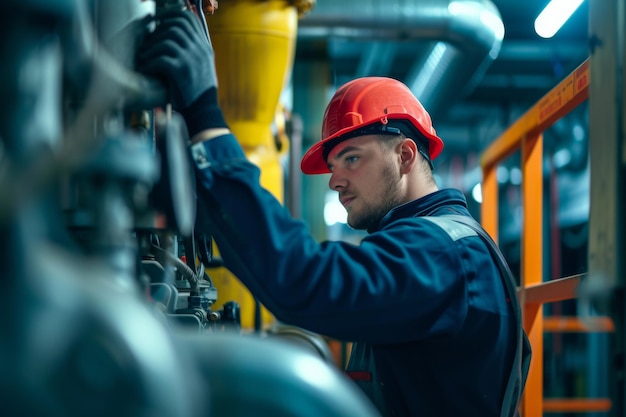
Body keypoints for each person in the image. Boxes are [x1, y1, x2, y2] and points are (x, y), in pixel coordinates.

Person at [137, 8, 529, 417]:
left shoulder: (440, 252)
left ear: (406, 155)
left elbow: (302, 278)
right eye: (333, 166)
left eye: (352, 159)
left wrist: (206, 119)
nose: (335, 181)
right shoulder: (445, 245)